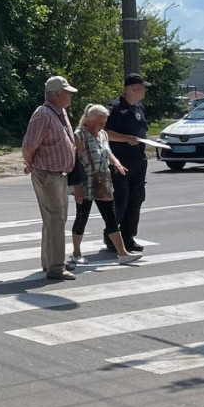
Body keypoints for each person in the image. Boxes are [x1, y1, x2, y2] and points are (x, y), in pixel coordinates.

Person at [69, 104, 140, 266]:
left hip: (103, 181)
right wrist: (77, 188)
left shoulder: (103, 135)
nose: (103, 125)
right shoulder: (79, 136)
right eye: (100, 122)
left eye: (104, 122)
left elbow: (107, 152)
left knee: (111, 217)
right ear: (89, 121)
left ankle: (123, 253)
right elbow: (74, 163)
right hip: (85, 182)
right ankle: (76, 253)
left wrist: (116, 163)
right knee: (82, 216)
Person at [22, 76, 78, 281]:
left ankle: (51, 262)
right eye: (67, 92)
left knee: (54, 219)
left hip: (58, 173)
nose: (70, 95)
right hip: (48, 173)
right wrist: (29, 163)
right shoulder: (43, 114)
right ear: (57, 95)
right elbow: (29, 145)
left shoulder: (60, 112)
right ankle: (55, 267)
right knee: (56, 219)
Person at [106, 73, 153, 254]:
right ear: (132, 88)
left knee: (136, 199)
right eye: (142, 87)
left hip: (138, 162)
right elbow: (105, 132)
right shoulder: (115, 108)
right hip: (120, 162)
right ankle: (112, 236)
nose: (145, 90)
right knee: (120, 200)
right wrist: (126, 139)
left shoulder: (139, 107)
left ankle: (128, 236)